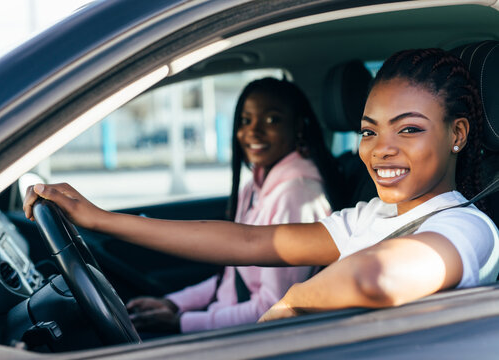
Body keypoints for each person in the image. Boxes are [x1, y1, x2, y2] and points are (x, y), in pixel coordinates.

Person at [24, 48, 499, 325]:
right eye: (370, 131)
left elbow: (377, 276)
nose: (381, 150)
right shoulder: (371, 217)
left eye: (409, 129)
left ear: (456, 134)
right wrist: (102, 219)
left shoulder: (470, 230)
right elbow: (249, 241)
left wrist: (285, 309)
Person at [124, 78, 340, 333]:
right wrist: (174, 304)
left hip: (257, 337)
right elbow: (231, 278)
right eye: (246, 120)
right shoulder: (256, 187)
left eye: (272, 120)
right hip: (230, 324)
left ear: (298, 128)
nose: (253, 131)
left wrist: (184, 323)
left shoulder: (297, 195)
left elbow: (275, 308)